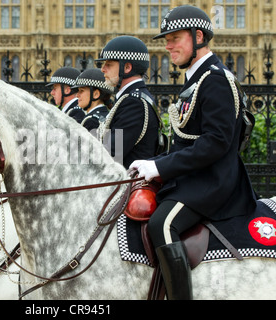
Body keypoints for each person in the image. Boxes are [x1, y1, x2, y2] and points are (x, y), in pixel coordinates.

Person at [129, 5, 258, 299]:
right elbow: (186, 143)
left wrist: (161, 168)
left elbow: (215, 143)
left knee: (162, 223)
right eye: (167, 39)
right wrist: (152, 163)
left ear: (198, 36)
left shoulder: (216, 79)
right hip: (193, 179)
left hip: (213, 182)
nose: (168, 45)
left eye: (175, 37)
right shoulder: (196, 80)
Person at [96, 36, 161, 168]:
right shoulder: (130, 98)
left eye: (108, 64)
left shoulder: (133, 102)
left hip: (128, 185)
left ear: (127, 67)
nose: (103, 69)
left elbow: (110, 154)